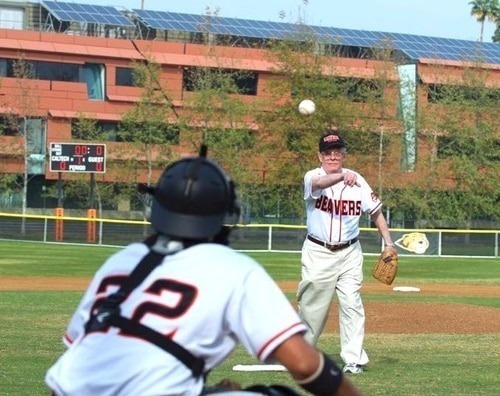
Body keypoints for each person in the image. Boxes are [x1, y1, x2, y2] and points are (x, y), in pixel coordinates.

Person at [45, 145, 362, 396]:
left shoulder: (122, 260)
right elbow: (306, 365)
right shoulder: (232, 269)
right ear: (225, 212)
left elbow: (74, 358)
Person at [297, 131, 396, 375]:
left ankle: (354, 359)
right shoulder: (313, 176)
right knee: (312, 307)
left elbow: (375, 212)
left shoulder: (358, 180)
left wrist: (389, 243)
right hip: (318, 252)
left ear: (343, 154)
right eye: (328, 153)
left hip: (350, 252)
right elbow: (318, 186)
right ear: (320, 156)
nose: (333, 157)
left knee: (352, 303)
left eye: (337, 153)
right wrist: (341, 177)